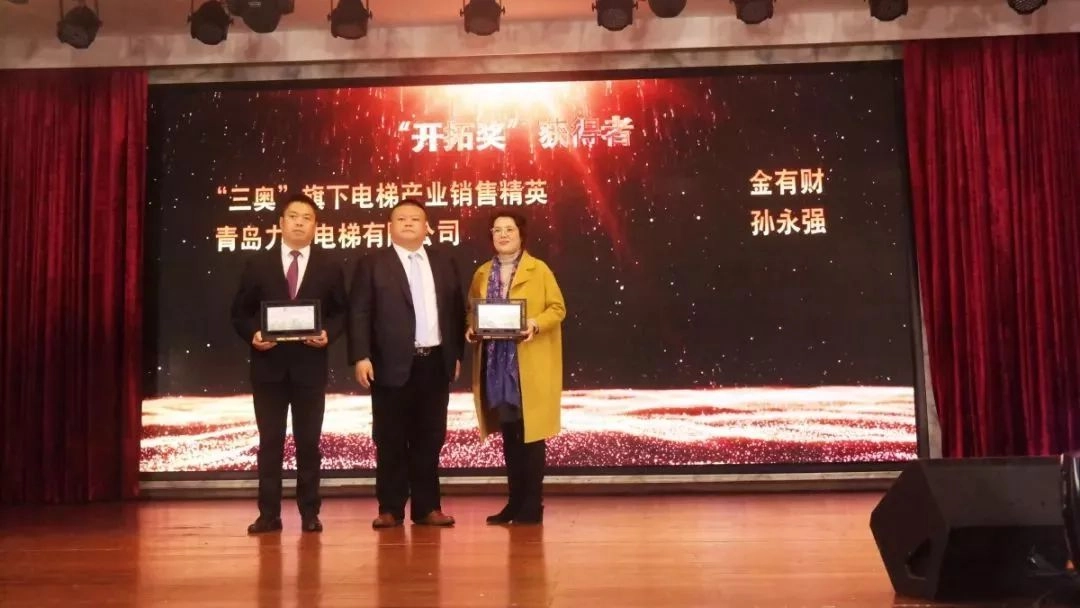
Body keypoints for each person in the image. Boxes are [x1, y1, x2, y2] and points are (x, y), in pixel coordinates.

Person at [230, 192, 347, 535]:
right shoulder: (258, 263)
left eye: (307, 218)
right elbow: (239, 313)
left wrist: (329, 334)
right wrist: (253, 334)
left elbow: (341, 312)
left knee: (309, 443)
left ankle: (310, 512)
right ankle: (269, 514)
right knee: (270, 443)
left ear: (316, 226)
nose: (299, 223)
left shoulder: (329, 265)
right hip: (268, 368)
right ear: (280, 223)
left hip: (310, 367)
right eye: (293, 216)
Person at [347, 199, 466, 529]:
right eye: (402, 219)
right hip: (389, 364)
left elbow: (455, 311)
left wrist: (455, 354)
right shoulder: (372, 263)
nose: (409, 223)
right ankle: (390, 508)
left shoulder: (443, 262)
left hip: (434, 363)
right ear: (390, 226)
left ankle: (428, 507)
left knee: (430, 437)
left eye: (416, 219)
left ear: (427, 227)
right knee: (390, 438)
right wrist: (361, 356)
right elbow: (359, 312)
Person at [466, 212, 566, 525]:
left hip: (529, 363)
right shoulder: (482, 273)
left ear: (521, 234)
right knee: (510, 434)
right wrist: (471, 328)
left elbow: (558, 308)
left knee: (531, 436)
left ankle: (533, 505)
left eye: (509, 229)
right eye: (497, 230)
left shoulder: (539, 269)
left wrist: (535, 323)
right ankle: (514, 502)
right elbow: (472, 310)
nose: (503, 234)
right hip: (496, 365)